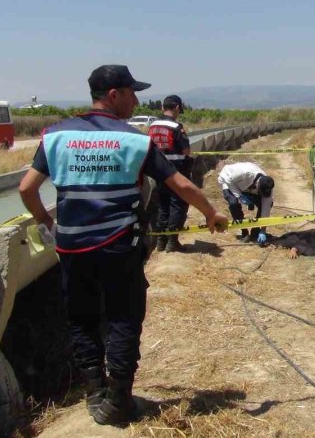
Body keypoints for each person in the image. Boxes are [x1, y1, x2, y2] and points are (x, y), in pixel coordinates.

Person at [18, 65, 229, 426]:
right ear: (113, 95)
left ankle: (95, 391)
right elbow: (181, 184)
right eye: (132, 93)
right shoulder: (132, 139)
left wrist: (47, 222)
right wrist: (211, 214)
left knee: (82, 319)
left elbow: (26, 188)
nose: (136, 100)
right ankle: (118, 400)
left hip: (71, 248)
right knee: (123, 318)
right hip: (118, 245)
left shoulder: (56, 136)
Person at [147, 95, 192, 252]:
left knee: (163, 206)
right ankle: (172, 242)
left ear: (162, 108)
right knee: (177, 205)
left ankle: (161, 241)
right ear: (177, 108)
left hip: (158, 172)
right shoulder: (176, 127)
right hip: (176, 172)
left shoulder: (153, 125)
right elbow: (186, 151)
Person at [217, 162, 275, 244]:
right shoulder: (245, 172)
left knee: (265, 204)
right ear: (258, 184)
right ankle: (244, 232)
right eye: (260, 192)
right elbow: (229, 180)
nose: (262, 195)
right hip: (229, 181)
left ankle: (256, 230)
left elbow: (266, 209)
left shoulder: (268, 187)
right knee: (233, 203)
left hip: (246, 186)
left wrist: (263, 231)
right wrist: (240, 196)